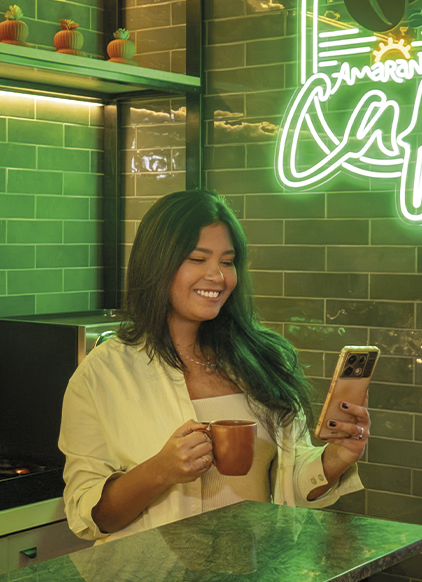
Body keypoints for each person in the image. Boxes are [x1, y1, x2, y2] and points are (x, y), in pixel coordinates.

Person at [59, 188, 369, 542]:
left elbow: (289, 484)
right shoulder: (102, 374)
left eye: (227, 261)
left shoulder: (265, 360)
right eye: (197, 259)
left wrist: (334, 459)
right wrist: (160, 470)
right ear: (157, 264)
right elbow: (90, 517)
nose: (218, 277)